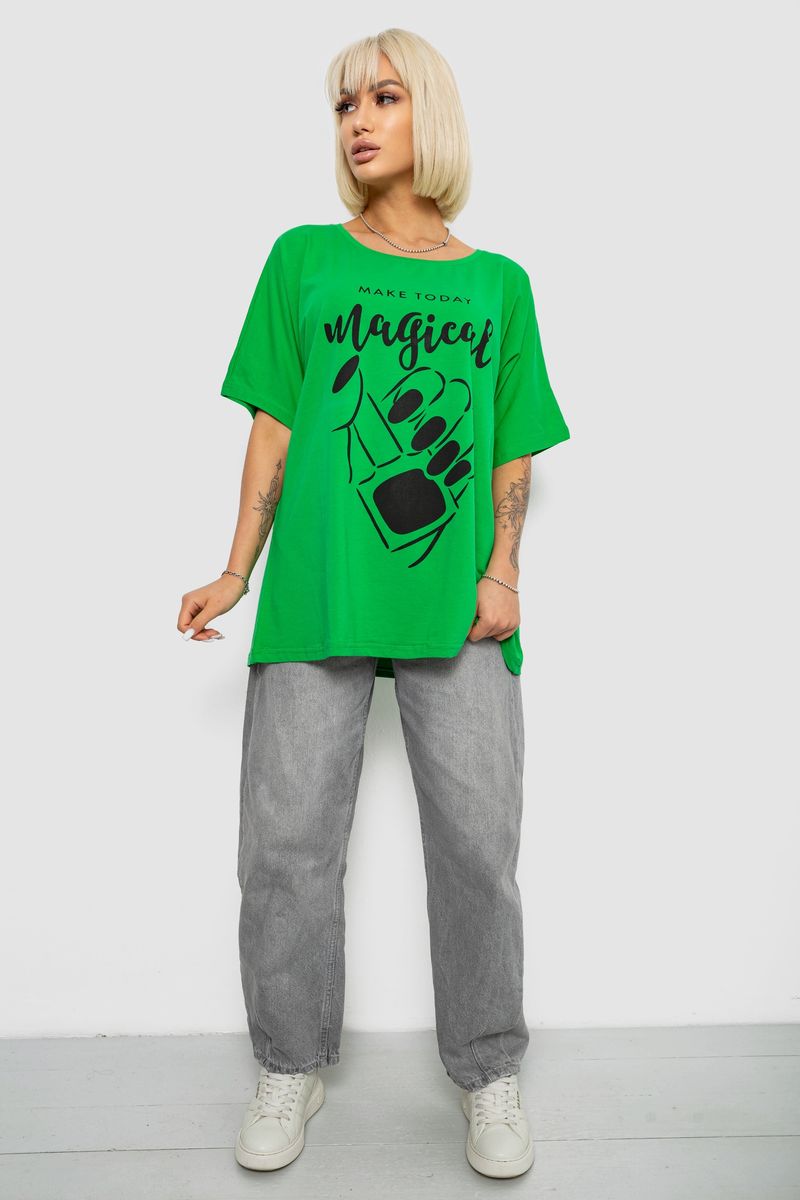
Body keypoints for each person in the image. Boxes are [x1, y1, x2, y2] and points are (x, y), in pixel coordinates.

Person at [177, 27, 570, 1181]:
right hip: (316, 589)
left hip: (458, 603)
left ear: (427, 113)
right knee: (285, 848)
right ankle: (289, 1063)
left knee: (478, 849)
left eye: (383, 98)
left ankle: (487, 1072)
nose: (357, 120)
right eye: (345, 103)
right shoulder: (302, 258)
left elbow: (509, 447)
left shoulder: (498, 283)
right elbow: (274, 428)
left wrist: (502, 572)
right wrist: (235, 570)